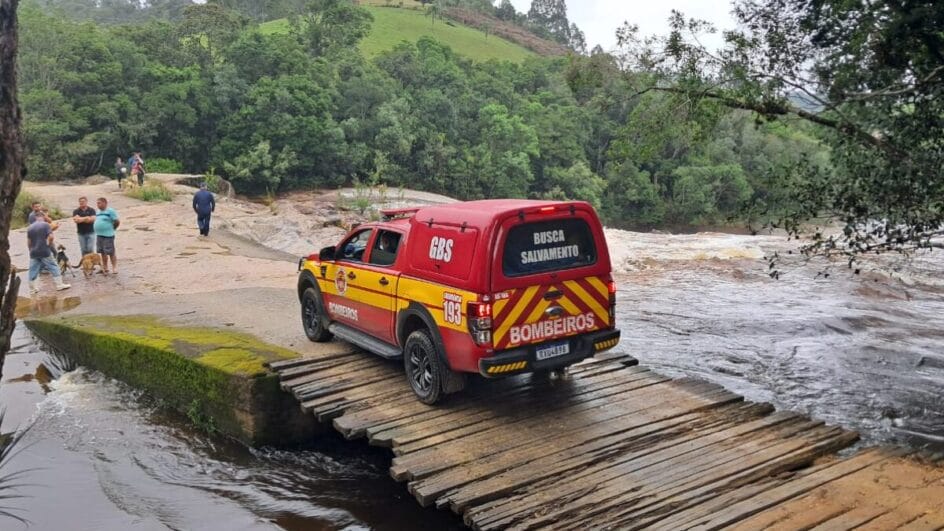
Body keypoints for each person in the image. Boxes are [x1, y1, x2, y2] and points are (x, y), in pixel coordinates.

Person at [26, 216, 71, 294]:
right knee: (53, 266)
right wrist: (48, 244)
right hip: (44, 251)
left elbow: (29, 242)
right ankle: (59, 285)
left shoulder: (30, 228)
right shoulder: (45, 225)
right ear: (41, 218)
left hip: (33, 252)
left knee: (33, 269)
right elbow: (51, 236)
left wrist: (30, 250)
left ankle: (32, 289)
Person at [94, 197, 120, 275]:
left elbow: (117, 221)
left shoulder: (110, 211)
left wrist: (113, 228)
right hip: (99, 235)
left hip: (108, 235)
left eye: (99, 203)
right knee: (102, 252)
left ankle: (114, 267)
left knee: (110, 252)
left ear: (105, 203)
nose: (98, 205)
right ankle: (105, 267)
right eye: (97, 203)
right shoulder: (98, 212)